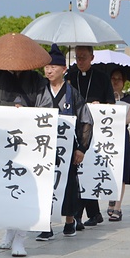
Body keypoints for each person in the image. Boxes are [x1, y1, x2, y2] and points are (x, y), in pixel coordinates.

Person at [0, 32, 52, 256]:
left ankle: (20, 238)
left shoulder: (37, 82)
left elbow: (46, 111)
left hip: (27, 145)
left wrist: (27, 114)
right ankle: (8, 231)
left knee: (23, 191)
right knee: (3, 190)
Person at [37, 44, 93, 240]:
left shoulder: (72, 93)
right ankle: (46, 224)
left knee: (67, 184)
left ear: (64, 69)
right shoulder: (39, 92)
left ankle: (69, 221)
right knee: (44, 184)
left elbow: (86, 120)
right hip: (43, 148)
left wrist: (81, 148)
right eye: (46, 67)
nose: (49, 70)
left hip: (66, 148)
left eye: (53, 67)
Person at [65, 45, 115, 228]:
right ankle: (87, 214)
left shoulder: (101, 77)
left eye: (84, 57)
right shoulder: (69, 77)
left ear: (92, 57)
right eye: (77, 57)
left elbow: (111, 102)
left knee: (90, 171)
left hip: (97, 131)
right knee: (79, 171)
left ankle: (86, 214)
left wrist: (98, 104)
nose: (80, 61)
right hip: (76, 130)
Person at [105, 68, 130, 221]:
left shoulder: (129, 98)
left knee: (121, 171)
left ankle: (117, 207)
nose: (115, 81)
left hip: (122, 136)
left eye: (119, 79)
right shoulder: (104, 96)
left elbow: (128, 119)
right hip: (107, 137)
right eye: (113, 78)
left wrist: (117, 103)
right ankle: (110, 196)